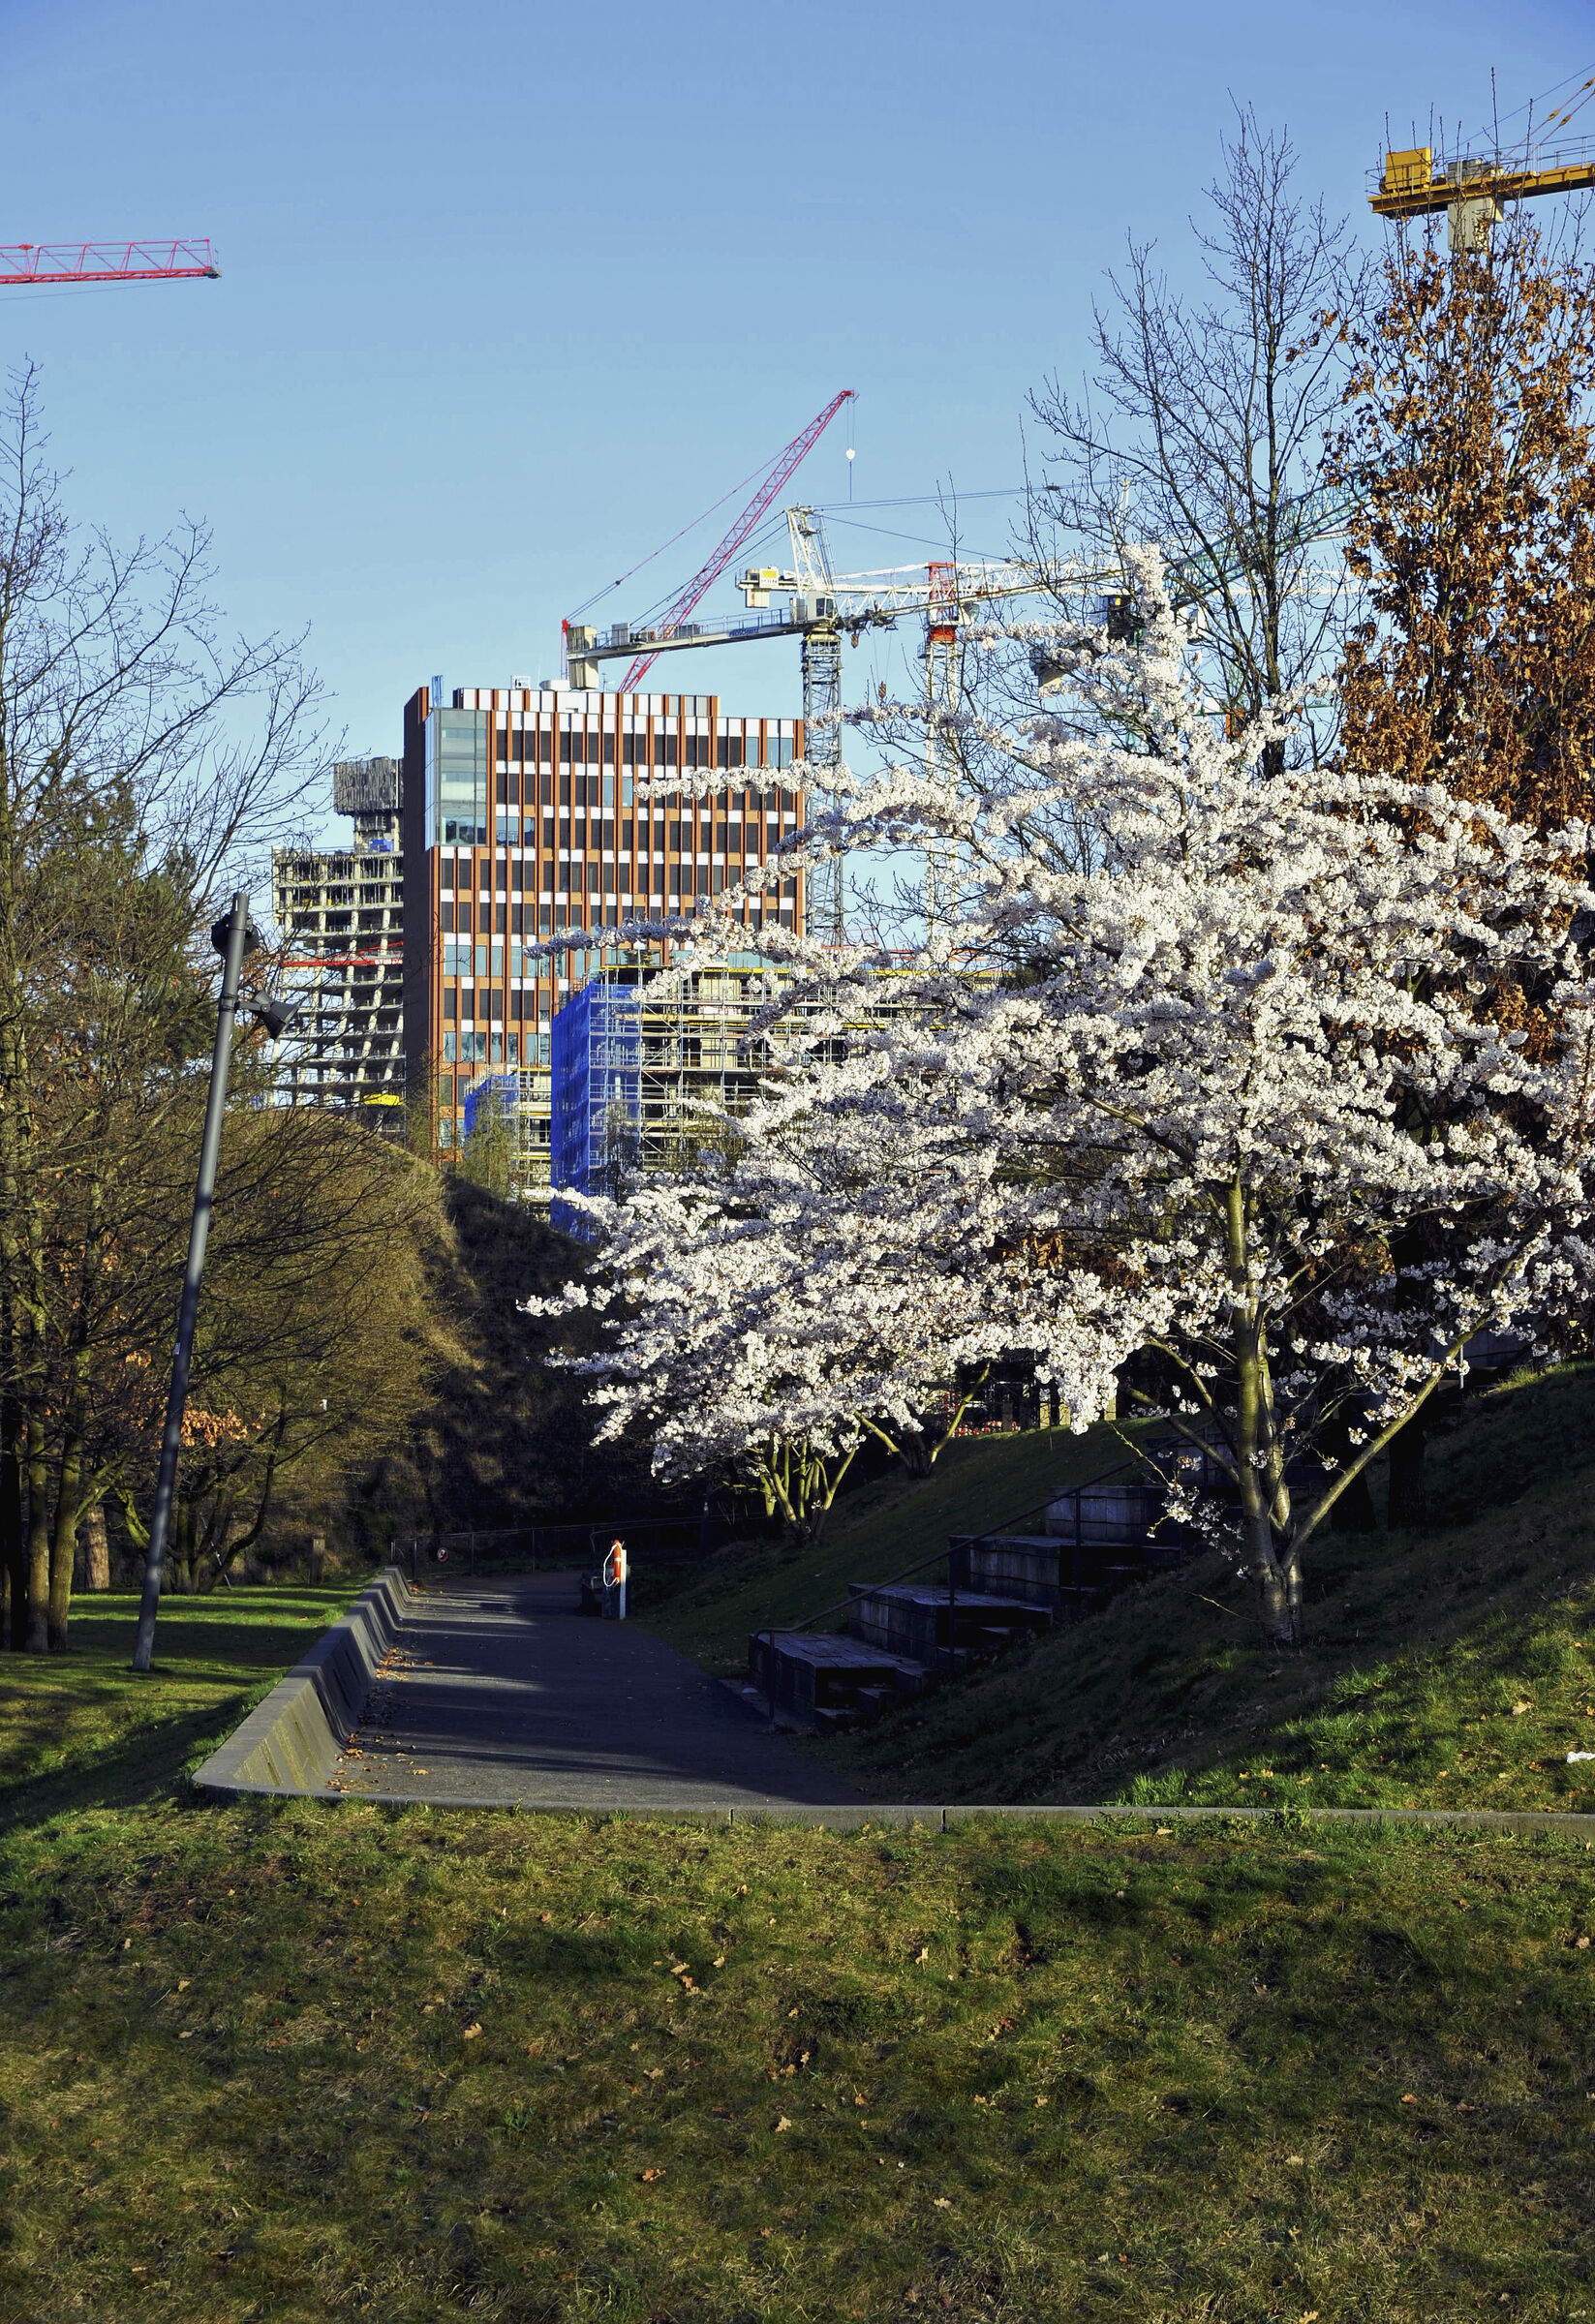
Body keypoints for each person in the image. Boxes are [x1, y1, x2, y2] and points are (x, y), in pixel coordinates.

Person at [602, 1537, 628, 1621]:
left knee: (611, 1592)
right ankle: (610, 1612)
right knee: (610, 1592)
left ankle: (611, 1611)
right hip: (614, 1574)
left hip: (616, 1574)